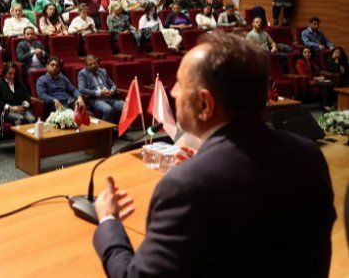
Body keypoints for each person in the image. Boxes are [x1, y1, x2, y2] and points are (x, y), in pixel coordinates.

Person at [92, 31, 335, 277]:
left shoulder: (186, 186)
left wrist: (108, 223)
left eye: (179, 84)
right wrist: (202, 168)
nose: (173, 92)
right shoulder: (309, 155)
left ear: (205, 104)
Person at [77, 55, 124, 123]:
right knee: (108, 109)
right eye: (90, 64)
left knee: (125, 106)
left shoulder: (103, 71)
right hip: (96, 100)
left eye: (94, 63)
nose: (93, 65)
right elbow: (81, 89)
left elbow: (113, 85)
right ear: (86, 66)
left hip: (109, 97)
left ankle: (121, 130)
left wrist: (111, 91)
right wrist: (99, 92)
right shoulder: (82, 74)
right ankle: (106, 131)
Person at [0, 62, 35, 126]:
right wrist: (10, 108)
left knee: (32, 119)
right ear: (5, 72)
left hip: (21, 110)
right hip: (6, 112)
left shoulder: (19, 82)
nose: (12, 76)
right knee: (22, 119)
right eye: (10, 73)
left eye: (14, 74)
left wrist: (24, 105)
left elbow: (27, 95)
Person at [296, 47, 336, 111]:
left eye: (309, 52)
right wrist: (316, 78)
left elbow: (317, 70)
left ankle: (327, 104)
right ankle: (325, 105)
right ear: (302, 53)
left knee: (329, 84)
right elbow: (303, 75)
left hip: (315, 79)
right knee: (329, 84)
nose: (307, 54)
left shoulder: (311, 61)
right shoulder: (299, 62)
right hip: (308, 81)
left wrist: (321, 76)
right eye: (305, 52)